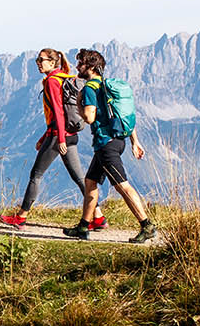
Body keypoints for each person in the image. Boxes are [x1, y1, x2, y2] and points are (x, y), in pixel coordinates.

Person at [0, 49, 103, 228]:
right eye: (37, 60)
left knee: (36, 175)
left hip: (59, 136)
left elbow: (58, 111)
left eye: (42, 60)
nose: (38, 63)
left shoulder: (52, 82)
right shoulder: (64, 77)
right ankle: (98, 216)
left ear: (53, 62)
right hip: (70, 135)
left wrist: (60, 139)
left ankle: (21, 216)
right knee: (80, 178)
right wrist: (44, 137)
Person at [64, 49, 155, 243]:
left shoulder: (89, 88)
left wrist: (79, 102)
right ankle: (83, 226)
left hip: (106, 145)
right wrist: (134, 141)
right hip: (116, 141)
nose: (77, 67)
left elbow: (89, 117)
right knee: (90, 182)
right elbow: (123, 115)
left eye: (80, 63)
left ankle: (146, 225)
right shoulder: (105, 86)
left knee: (122, 186)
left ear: (90, 66)